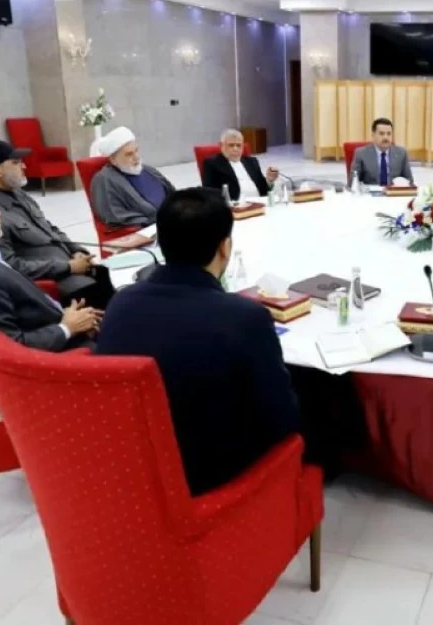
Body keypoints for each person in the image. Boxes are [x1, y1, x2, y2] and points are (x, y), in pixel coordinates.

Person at [95, 188, 301, 496]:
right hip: (207, 474)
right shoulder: (243, 317)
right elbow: (281, 420)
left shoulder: (121, 302)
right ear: (224, 247)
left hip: (133, 460)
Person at [0, 182, 99, 361]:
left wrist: (71, 318)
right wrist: (67, 328)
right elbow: (7, 348)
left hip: (63, 323)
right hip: (65, 357)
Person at [0, 139, 115, 309]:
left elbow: (49, 228)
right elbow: (10, 265)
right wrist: (67, 267)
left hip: (70, 265)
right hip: (51, 282)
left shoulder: (18, 193)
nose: (24, 167)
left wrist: (76, 250)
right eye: (16, 163)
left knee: (109, 278)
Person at [90, 126, 176, 228]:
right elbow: (115, 216)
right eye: (129, 154)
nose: (136, 157)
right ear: (113, 159)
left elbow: (173, 193)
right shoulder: (104, 180)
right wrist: (158, 221)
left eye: (136, 151)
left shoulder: (147, 169)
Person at [202, 129, 280, 201]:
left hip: (260, 203)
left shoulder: (252, 162)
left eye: (238, 145)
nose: (235, 149)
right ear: (221, 145)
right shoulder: (212, 163)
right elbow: (209, 193)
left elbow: (264, 191)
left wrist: (269, 180)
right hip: (235, 206)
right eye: (231, 145)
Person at [350, 118, 415, 187]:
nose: (385, 137)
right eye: (381, 134)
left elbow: (409, 181)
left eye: (389, 134)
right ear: (373, 135)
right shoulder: (361, 153)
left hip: (393, 192)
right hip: (370, 192)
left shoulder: (401, 153)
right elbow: (352, 183)